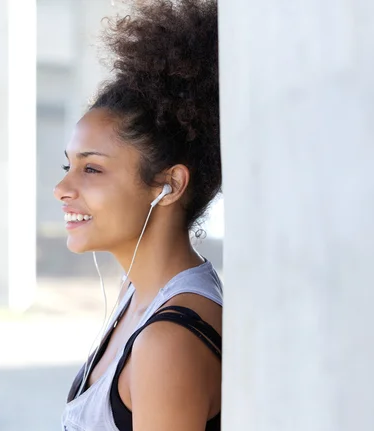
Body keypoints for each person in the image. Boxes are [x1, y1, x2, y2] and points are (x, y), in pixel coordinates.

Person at [54, 0, 222, 429]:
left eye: (91, 169)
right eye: (67, 166)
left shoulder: (169, 341)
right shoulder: (139, 293)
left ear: (168, 186)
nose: (62, 189)